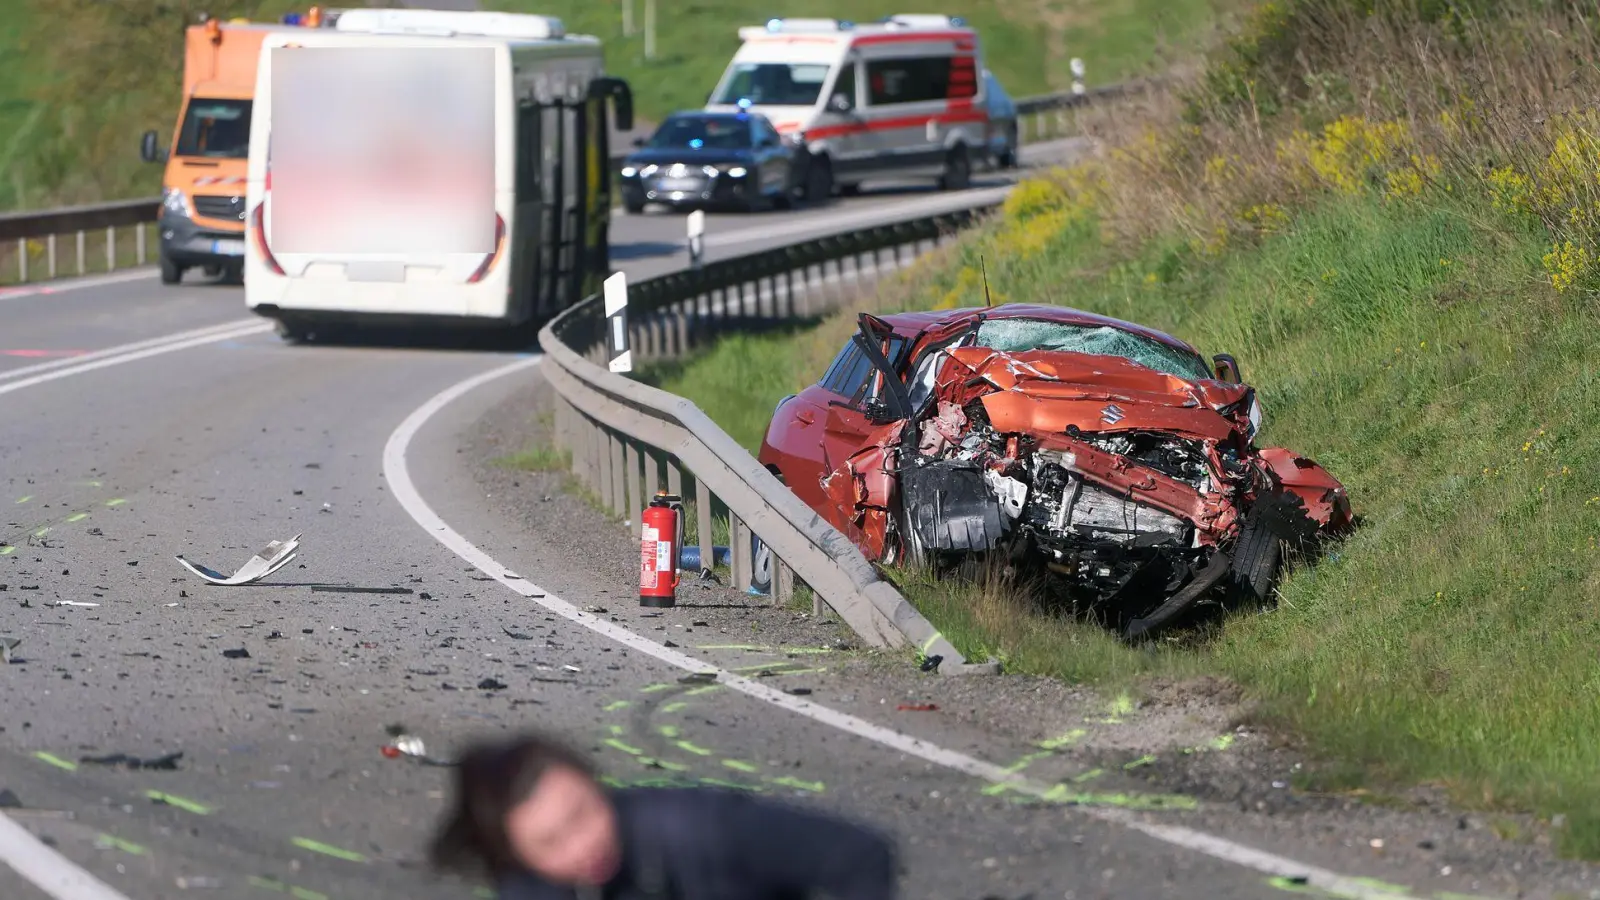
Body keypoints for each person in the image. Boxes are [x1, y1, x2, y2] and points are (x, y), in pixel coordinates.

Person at [429, 730, 900, 900]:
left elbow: (859, 854)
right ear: (517, 856)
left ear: (597, 784)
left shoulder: (701, 828)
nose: (582, 847)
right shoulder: (529, 891)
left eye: (582, 815)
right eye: (550, 843)